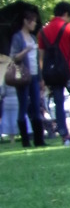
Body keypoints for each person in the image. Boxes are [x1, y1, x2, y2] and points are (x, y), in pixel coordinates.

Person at [38, 2, 70, 145]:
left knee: (58, 103)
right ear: (67, 14)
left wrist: (43, 75)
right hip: (69, 71)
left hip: (52, 74)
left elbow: (41, 56)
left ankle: (64, 135)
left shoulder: (43, 31)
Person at [10, 9, 46, 147]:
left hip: (35, 75)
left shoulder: (32, 37)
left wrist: (41, 78)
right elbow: (14, 57)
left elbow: (37, 60)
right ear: (26, 21)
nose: (35, 24)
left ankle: (39, 139)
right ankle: (25, 139)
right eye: (33, 21)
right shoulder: (17, 37)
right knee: (23, 106)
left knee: (37, 106)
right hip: (23, 76)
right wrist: (26, 50)